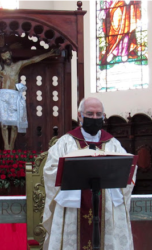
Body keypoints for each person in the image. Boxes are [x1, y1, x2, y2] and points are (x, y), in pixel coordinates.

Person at [42, 97, 136, 250]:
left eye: (99, 114)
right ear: (80, 116)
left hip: (105, 205)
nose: (95, 118)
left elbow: (128, 170)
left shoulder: (112, 143)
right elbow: (50, 170)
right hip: (74, 207)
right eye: (90, 114)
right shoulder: (66, 142)